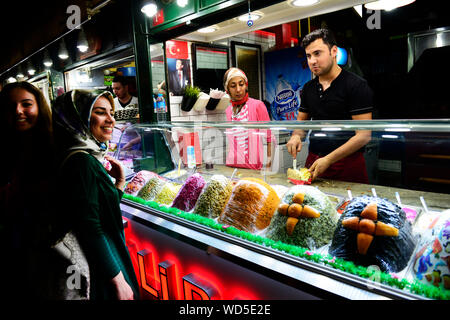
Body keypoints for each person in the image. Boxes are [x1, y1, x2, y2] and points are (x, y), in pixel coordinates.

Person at [52, 89, 139, 300]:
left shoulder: (85, 156)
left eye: (111, 112)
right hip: (101, 269)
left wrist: (119, 184)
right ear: (77, 116)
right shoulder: (82, 162)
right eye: (100, 112)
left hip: (104, 262)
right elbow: (90, 226)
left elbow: (99, 210)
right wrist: (117, 280)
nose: (111, 119)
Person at [286, 28, 373, 183]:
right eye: (308, 56)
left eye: (317, 53)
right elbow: (301, 126)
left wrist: (329, 159)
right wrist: (295, 137)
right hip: (314, 162)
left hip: (347, 163)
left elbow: (364, 135)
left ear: (333, 51)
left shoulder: (356, 85)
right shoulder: (308, 88)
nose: (312, 60)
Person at [0, 81, 55, 299]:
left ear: (39, 107)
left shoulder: (55, 146)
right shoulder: (3, 147)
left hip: (50, 247)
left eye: (26, 104)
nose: (18, 111)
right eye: (10, 106)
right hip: (14, 246)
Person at [224, 67, 273, 170]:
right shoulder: (228, 111)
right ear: (227, 89)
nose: (238, 89)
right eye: (233, 86)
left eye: (241, 84)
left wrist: (268, 168)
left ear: (246, 85)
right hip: (232, 167)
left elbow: (270, 140)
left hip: (253, 169)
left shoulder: (257, 105)